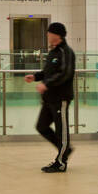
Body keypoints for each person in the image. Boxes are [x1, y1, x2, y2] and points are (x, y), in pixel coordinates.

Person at [25, 22, 76, 173]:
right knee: (41, 126)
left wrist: (46, 84)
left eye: (49, 32)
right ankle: (64, 150)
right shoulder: (53, 52)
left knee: (62, 131)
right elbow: (48, 72)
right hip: (49, 99)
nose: (47, 35)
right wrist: (35, 77)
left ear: (56, 35)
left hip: (61, 99)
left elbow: (65, 74)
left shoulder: (66, 52)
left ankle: (61, 162)